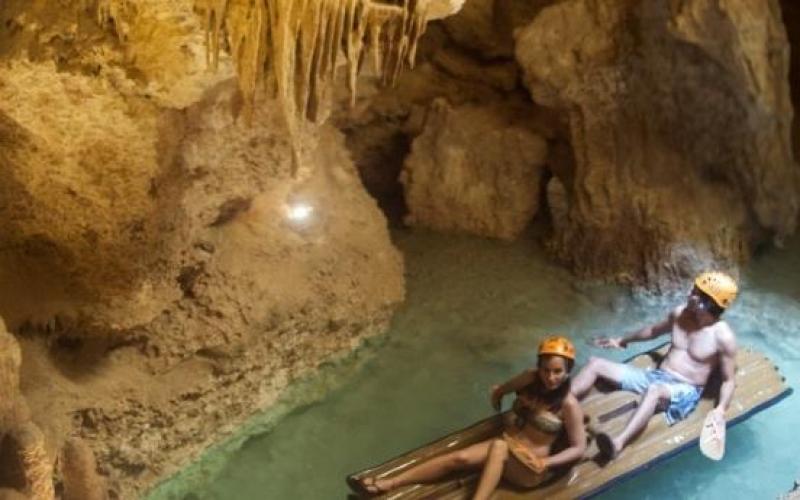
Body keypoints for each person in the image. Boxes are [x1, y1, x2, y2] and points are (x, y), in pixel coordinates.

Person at [360, 336, 586, 500]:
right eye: (546, 370)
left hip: (530, 468)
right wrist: (498, 394)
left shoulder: (568, 405)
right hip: (509, 445)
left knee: (498, 447)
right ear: (539, 367)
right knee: (459, 458)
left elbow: (578, 448)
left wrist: (546, 462)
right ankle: (392, 482)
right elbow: (503, 389)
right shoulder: (531, 378)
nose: (550, 377)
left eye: (558, 371)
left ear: (568, 371)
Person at [570, 271, 739, 459]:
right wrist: (622, 340)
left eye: (695, 293)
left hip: (685, 389)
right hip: (656, 377)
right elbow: (652, 331)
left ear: (708, 303)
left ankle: (618, 444)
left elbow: (728, 380)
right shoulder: (680, 314)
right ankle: (560, 402)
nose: (689, 294)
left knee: (654, 390)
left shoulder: (723, 338)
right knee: (595, 363)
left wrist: (720, 409)